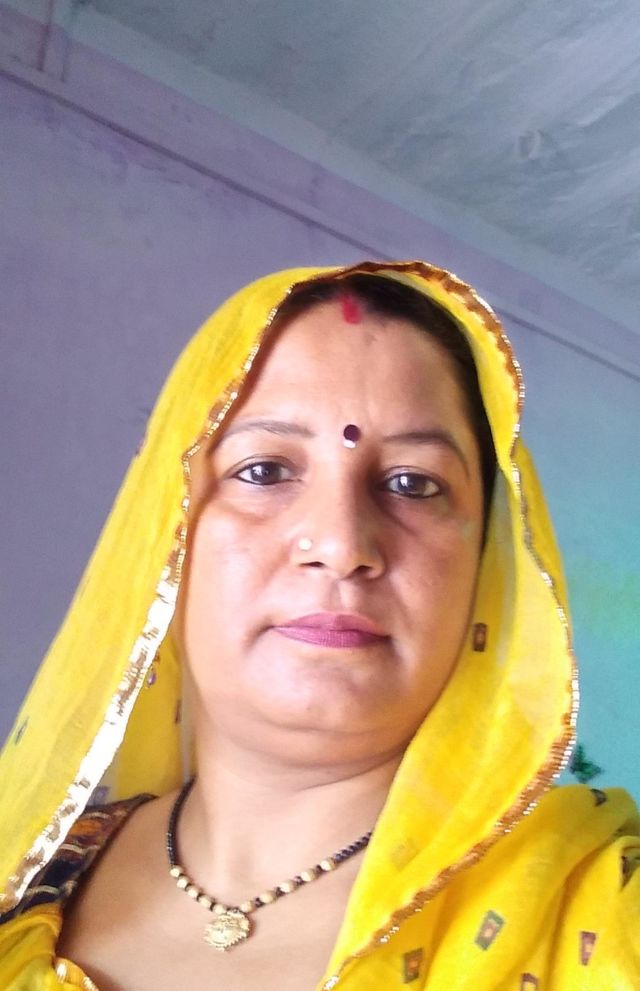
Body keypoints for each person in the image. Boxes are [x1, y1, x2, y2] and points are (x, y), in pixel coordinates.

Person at [0, 260, 638, 991]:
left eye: (413, 483)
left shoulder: (601, 913)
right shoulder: (22, 882)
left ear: (489, 561)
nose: (341, 543)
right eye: (265, 471)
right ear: (166, 530)